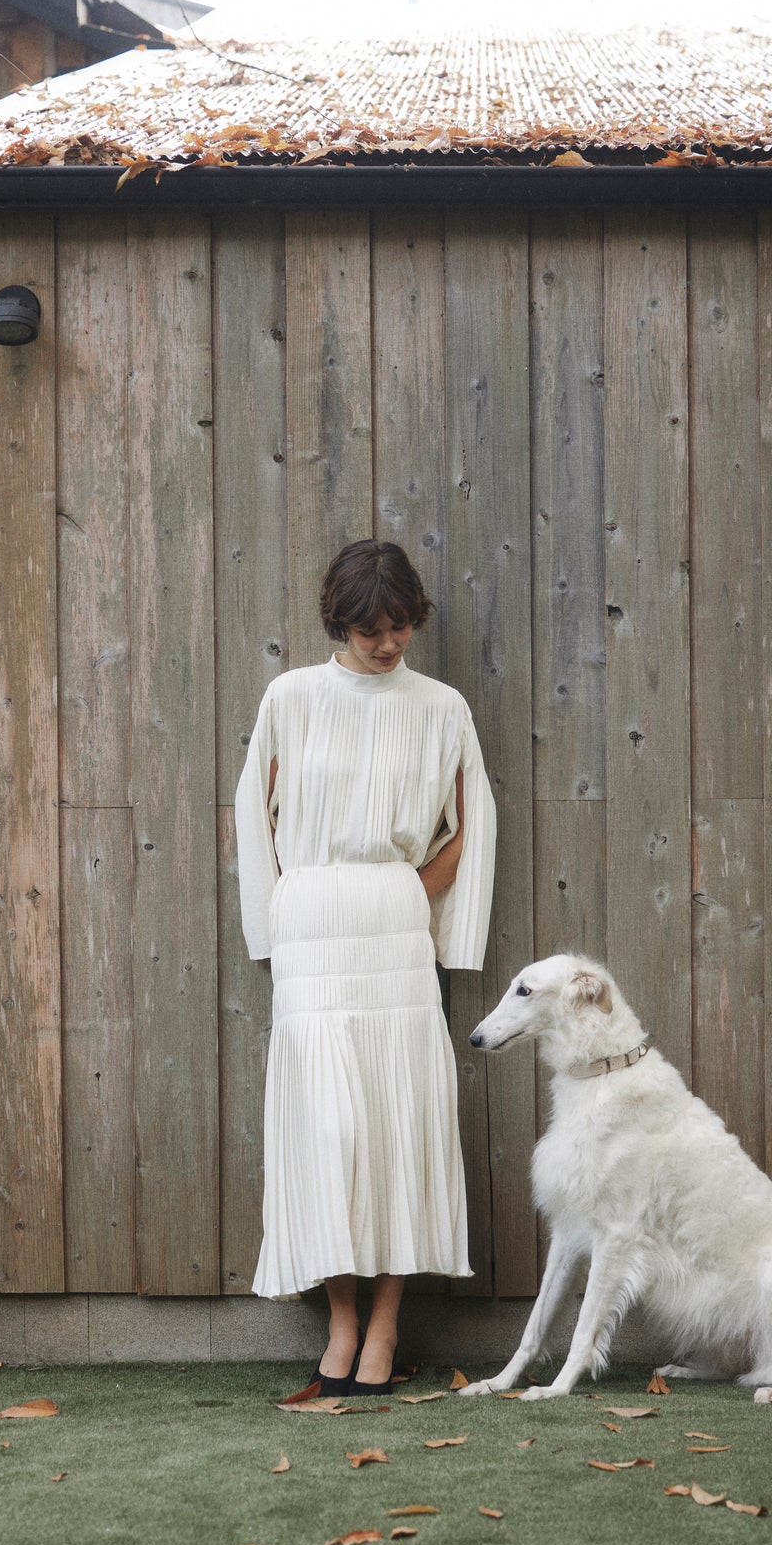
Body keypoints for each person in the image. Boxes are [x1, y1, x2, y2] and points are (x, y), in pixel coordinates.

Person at [234, 538, 497, 1395]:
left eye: (399, 626)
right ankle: (339, 1321)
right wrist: (274, 923)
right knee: (327, 1131)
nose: (386, 644)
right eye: (368, 630)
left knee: (394, 1127)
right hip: (311, 927)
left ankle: (384, 1324)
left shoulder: (441, 708)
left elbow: (470, 824)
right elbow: (254, 816)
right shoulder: (291, 697)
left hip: (393, 929)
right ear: (338, 624)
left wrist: (410, 894)